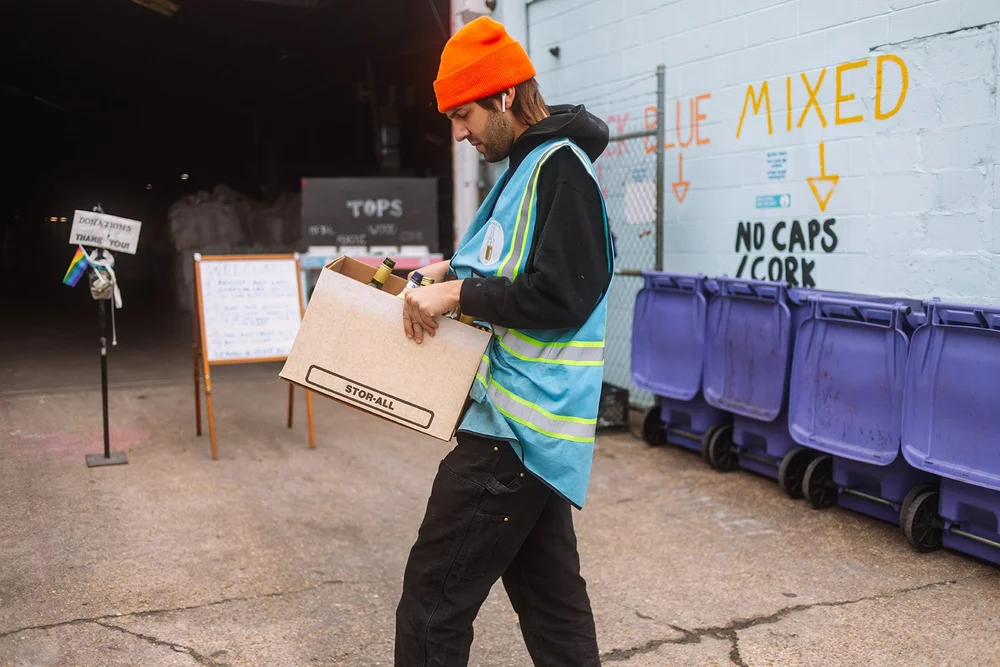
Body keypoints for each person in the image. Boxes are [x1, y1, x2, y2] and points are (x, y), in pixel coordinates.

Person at [395, 16, 612, 667]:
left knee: (431, 606)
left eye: (463, 116)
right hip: (526, 437)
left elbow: (561, 294)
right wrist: (448, 273)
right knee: (552, 608)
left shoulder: (561, 172)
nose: (458, 134)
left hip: (512, 435)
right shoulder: (524, 172)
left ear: (505, 96)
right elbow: (508, 270)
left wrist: (458, 296)